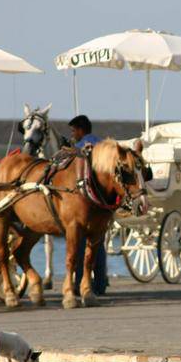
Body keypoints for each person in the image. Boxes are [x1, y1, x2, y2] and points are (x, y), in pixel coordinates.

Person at [68, 114, 107, 295]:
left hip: (85, 202)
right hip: (102, 203)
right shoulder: (101, 143)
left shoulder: (80, 146)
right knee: (98, 245)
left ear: (81, 130)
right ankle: (100, 284)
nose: (73, 134)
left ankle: (77, 285)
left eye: (74, 130)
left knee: (81, 246)